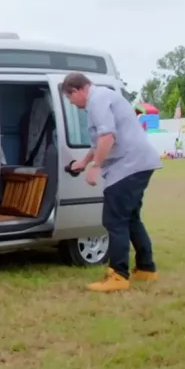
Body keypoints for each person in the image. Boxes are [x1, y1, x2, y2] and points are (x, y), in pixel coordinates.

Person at [62, 72, 163, 292]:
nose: (71, 103)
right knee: (131, 219)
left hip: (128, 165)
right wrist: (84, 162)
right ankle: (146, 268)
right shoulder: (102, 97)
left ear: (77, 90)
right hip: (139, 163)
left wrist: (95, 167)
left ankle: (118, 275)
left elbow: (107, 136)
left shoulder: (97, 100)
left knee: (114, 221)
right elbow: (99, 141)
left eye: (70, 98)